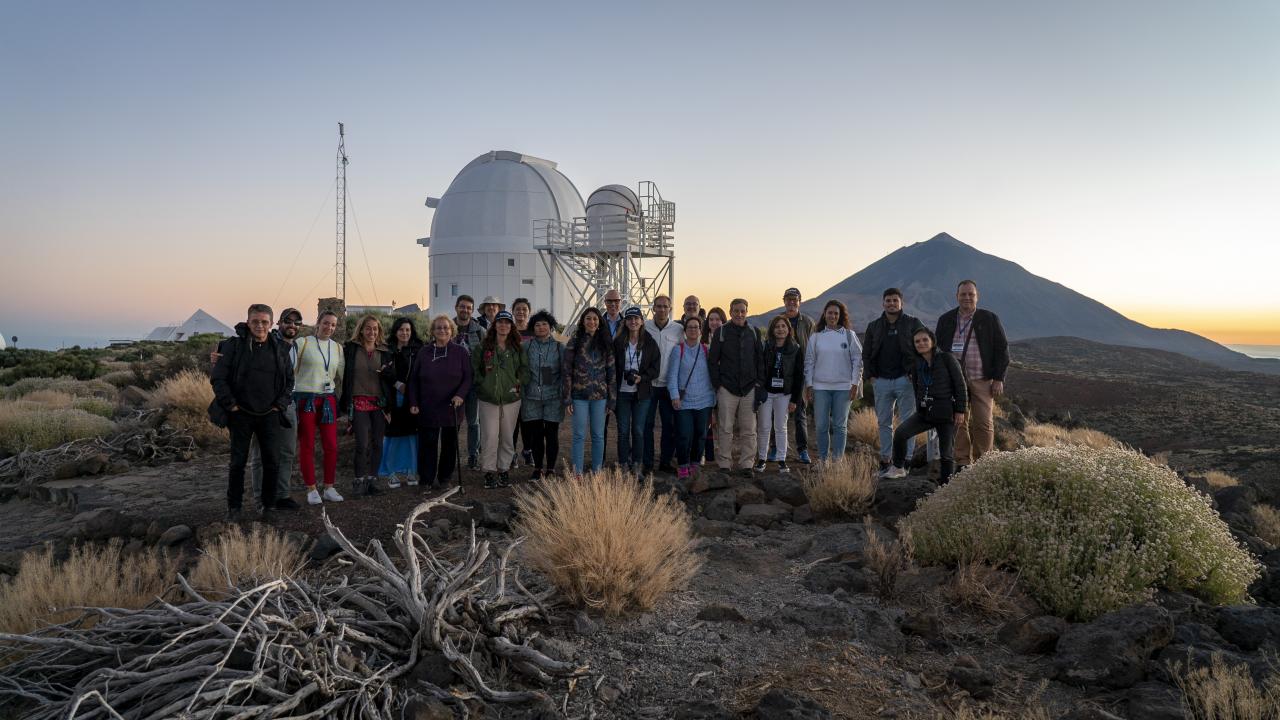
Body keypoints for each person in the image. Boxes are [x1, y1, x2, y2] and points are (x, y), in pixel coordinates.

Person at [212, 307, 303, 511]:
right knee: (238, 463)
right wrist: (231, 405)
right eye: (255, 322)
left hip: (269, 414)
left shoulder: (280, 349)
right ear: (248, 321)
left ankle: (268, 507)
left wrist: (278, 406)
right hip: (241, 414)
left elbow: (289, 381)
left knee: (272, 461)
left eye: (264, 322)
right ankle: (234, 508)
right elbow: (218, 378)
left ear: (271, 324)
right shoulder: (232, 346)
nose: (260, 326)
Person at [935, 280, 1009, 468]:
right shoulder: (946, 319)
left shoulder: (989, 318)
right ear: (956, 296)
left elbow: (1002, 349)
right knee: (958, 421)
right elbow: (939, 350)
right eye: (963, 294)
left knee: (983, 423)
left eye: (971, 294)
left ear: (977, 296)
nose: (967, 297)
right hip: (955, 381)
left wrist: (999, 378)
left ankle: (983, 462)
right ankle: (962, 462)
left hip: (982, 379)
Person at [882, 328, 967, 483]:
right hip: (924, 413)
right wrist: (920, 405)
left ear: (932, 341)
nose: (921, 343)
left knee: (946, 452)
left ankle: (947, 485)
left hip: (945, 412)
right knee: (901, 433)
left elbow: (960, 385)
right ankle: (898, 467)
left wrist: (960, 410)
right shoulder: (917, 364)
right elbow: (917, 388)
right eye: (917, 341)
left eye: (924, 340)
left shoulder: (947, 358)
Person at [861, 288, 927, 469]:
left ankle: (906, 458)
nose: (891, 303)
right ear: (883, 303)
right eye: (888, 300)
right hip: (881, 380)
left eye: (895, 300)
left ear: (901, 303)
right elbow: (866, 353)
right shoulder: (874, 326)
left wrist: (915, 372)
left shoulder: (913, 323)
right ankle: (886, 458)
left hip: (905, 380)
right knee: (884, 422)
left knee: (908, 421)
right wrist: (871, 376)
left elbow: (925, 346)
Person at [408, 315, 471, 489]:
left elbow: (468, 378)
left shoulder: (461, 352)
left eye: (446, 328)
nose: (442, 330)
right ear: (432, 331)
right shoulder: (424, 352)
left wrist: (460, 395)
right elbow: (413, 380)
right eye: (438, 328)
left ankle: (445, 478)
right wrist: (413, 401)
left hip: (452, 406)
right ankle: (426, 479)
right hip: (428, 405)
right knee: (428, 444)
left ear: (452, 330)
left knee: (449, 445)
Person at [472, 310, 528, 488]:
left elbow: (525, 370)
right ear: (494, 325)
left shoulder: (517, 348)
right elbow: (475, 370)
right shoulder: (483, 347)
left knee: (507, 436)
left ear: (511, 326)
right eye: (500, 322)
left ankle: (503, 469)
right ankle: (489, 471)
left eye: (507, 322)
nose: (503, 325)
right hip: (489, 399)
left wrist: (518, 384)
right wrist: (484, 386)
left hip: (511, 399)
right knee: (489, 436)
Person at [340, 315, 393, 497]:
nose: (372, 332)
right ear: (361, 329)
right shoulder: (351, 349)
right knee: (361, 444)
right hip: (359, 402)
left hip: (379, 403)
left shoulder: (385, 351)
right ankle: (358, 481)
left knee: (378, 443)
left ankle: (372, 480)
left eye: (375, 328)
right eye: (368, 328)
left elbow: (391, 378)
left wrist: (387, 373)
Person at [295, 310, 345, 504]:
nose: (329, 328)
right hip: (306, 399)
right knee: (307, 444)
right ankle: (311, 489)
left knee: (331, 445)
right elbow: (288, 370)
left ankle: (329, 487)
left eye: (333, 325)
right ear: (318, 323)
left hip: (328, 400)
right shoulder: (303, 343)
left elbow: (343, 375)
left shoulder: (338, 348)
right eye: (326, 323)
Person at [708, 298, 762, 477]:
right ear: (730, 312)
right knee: (725, 427)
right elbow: (713, 361)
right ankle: (724, 463)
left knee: (749, 429)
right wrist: (718, 384)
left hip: (749, 388)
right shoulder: (721, 332)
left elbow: (759, 360)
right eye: (736, 311)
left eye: (742, 311)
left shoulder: (754, 332)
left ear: (747, 312)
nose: (739, 314)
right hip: (727, 388)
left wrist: (758, 384)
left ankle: (747, 464)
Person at [804, 300, 863, 462]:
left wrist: (854, 384)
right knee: (821, 425)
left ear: (841, 316)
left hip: (843, 387)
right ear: (824, 314)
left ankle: (837, 462)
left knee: (840, 426)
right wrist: (809, 385)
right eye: (830, 312)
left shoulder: (849, 336)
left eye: (836, 313)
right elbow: (809, 362)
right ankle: (823, 461)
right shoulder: (815, 337)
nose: (833, 316)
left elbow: (858, 361)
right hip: (820, 387)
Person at [564, 307, 615, 474]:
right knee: (579, 435)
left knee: (598, 436)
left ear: (599, 322)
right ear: (583, 321)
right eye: (588, 319)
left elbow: (611, 371)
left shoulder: (606, 342)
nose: (591, 322)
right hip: (579, 396)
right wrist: (567, 397)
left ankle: (597, 472)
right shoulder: (575, 341)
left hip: (600, 397)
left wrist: (611, 398)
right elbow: (567, 370)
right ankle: (577, 473)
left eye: (595, 319)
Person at [613, 306, 661, 474]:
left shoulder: (649, 342)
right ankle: (624, 464)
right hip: (622, 393)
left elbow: (656, 368)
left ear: (642, 321)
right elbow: (611, 367)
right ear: (625, 322)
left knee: (639, 431)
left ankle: (637, 465)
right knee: (623, 431)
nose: (633, 321)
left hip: (642, 394)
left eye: (636, 318)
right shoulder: (618, 343)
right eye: (630, 319)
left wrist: (643, 377)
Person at [755, 315, 805, 474]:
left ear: (788, 329)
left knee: (781, 426)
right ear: (772, 330)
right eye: (777, 326)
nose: (780, 329)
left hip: (784, 393)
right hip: (766, 392)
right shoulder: (765, 346)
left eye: (783, 326)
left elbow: (799, 376)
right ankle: (762, 458)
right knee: (763, 426)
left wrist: (795, 400)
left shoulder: (795, 348)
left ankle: (782, 460)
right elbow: (759, 369)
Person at [772, 287, 815, 465]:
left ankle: (802, 450)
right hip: (780, 373)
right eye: (788, 299)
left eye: (794, 299)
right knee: (777, 413)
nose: (791, 302)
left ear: (799, 301)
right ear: (784, 301)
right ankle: (775, 448)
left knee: (799, 413)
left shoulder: (808, 322)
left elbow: (812, 349)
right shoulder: (779, 320)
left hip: (801, 374)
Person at [667, 315, 714, 480]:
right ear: (685, 331)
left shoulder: (706, 350)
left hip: (705, 400)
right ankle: (683, 465)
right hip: (684, 401)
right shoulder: (678, 350)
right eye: (690, 327)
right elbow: (672, 376)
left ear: (701, 330)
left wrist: (714, 399)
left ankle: (695, 463)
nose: (693, 330)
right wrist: (674, 396)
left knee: (700, 434)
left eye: (696, 327)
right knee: (684, 434)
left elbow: (712, 375)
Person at [378, 317, 422, 486]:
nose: (405, 333)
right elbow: (382, 372)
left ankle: (412, 471)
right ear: (395, 331)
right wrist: (397, 384)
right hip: (392, 398)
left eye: (408, 330)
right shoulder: (386, 350)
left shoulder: (418, 349)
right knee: (393, 436)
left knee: (412, 435)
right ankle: (391, 472)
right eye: (401, 330)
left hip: (412, 398)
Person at [521, 310, 564, 479]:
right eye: (537, 325)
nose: (541, 327)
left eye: (544, 324)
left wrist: (561, 390)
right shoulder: (526, 346)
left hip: (553, 397)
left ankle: (551, 469)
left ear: (550, 326)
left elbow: (564, 370)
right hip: (531, 397)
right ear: (533, 327)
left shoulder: (560, 346)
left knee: (552, 434)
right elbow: (522, 369)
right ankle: (538, 468)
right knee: (536, 435)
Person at [643, 295, 684, 473]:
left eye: (665, 307)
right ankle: (647, 462)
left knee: (669, 426)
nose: (661, 309)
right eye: (658, 306)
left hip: (669, 386)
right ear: (653, 308)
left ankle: (665, 462)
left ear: (670, 308)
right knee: (646, 425)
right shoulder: (644, 327)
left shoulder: (678, 329)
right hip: (649, 385)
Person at [454, 295, 485, 469]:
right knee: (453, 421)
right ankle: (452, 453)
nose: (465, 310)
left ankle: (473, 454)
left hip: (473, 384)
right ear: (456, 307)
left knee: (473, 422)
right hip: (452, 385)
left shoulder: (479, 331)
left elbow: (487, 356)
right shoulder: (448, 327)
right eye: (462, 307)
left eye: (468, 308)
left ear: (472, 311)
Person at [698, 307, 727, 464]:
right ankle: (701, 454)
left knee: (723, 423)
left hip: (724, 385)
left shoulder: (728, 339)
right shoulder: (702, 340)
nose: (714, 322)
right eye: (711, 319)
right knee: (705, 422)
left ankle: (723, 455)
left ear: (723, 321)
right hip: (705, 385)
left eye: (718, 319)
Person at [510, 297, 534, 467]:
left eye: (524, 309)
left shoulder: (534, 332)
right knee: (512, 420)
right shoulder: (508, 331)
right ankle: (511, 453)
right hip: (512, 381)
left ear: (529, 312)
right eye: (518, 309)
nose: (521, 312)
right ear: (513, 311)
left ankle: (528, 450)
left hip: (530, 382)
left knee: (528, 419)